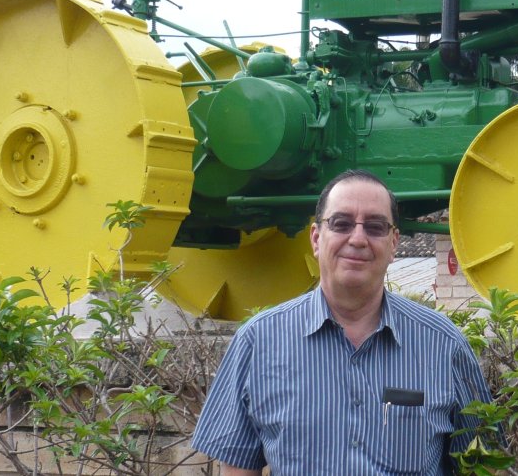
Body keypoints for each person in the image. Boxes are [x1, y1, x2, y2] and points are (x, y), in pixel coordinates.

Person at [191, 169, 494, 475]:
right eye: (341, 224)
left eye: (375, 227)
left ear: (394, 243)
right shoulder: (257, 342)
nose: (358, 238)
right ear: (316, 238)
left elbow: (481, 464)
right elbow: (238, 468)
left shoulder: (443, 345)